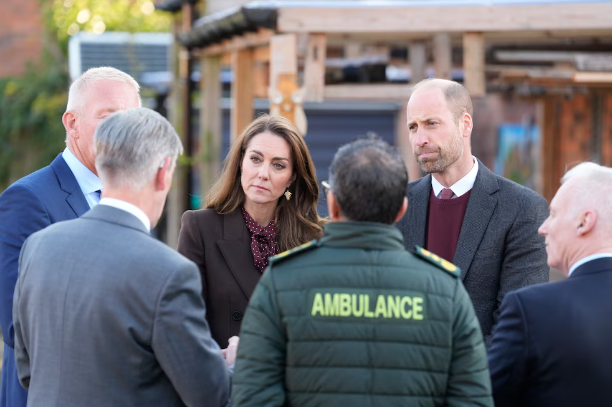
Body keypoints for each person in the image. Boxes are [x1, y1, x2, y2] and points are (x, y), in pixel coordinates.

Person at [232, 136, 493, 407]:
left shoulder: (281, 281)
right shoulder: (444, 289)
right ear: (402, 210)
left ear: (332, 204)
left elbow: (252, 397)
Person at [12, 108, 233, 407]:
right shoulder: (170, 272)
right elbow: (211, 395)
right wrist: (233, 363)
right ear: (162, 172)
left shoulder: (38, 247)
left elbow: (29, 370)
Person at [0, 66, 140, 407]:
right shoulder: (28, 200)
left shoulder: (131, 201)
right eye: (107, 117)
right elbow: (19, 327)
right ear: (72, 123)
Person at [396, 78, 549, 347]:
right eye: (413, 127)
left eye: (432, 123)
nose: (420, 139)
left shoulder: (523, 209)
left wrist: (460, 378)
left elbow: (519, 325)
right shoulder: (396, 206)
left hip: (481, 383)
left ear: (465, 124)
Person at [177, 114, 325, 348]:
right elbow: (185, 324)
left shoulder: (316, 239)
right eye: (256, 159)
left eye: (278, 165)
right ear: (240, 163)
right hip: (227, 377)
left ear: (291, 178)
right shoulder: (200, 228)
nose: (263, 173)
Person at [488, 162, 612, 407]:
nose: (542, 228)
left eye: (553, 214)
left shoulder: (531, 309)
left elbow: (483, 400)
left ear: (584, 222)